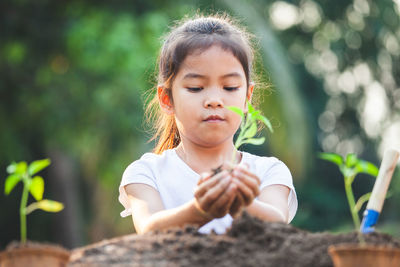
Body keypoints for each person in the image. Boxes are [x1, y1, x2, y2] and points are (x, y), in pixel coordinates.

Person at [118, 14, 297, 234]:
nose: (214, 100)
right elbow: (149, 230)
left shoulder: (269, 171)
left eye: (230, 87)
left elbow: (278, 227)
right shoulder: (146, 173)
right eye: (195, 88)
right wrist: (200, 210)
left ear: (247, 98)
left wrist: (242, 205)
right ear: (167, 99)